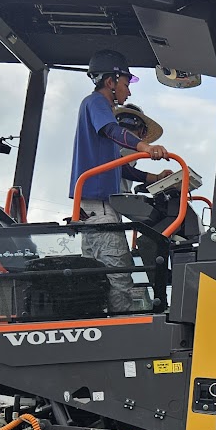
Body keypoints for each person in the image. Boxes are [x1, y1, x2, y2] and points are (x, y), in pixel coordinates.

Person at [70, 49, 170, 313]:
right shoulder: (96, 104)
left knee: (94, 280)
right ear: (110, 81)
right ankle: (123, 330)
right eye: (126, 84)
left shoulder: (95, 111)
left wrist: (154, 177)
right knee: (120, 279)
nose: (129, 92)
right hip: (101, 209)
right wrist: (145, 148)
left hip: (92, 209)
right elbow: (112, 129)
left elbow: (123, 170)